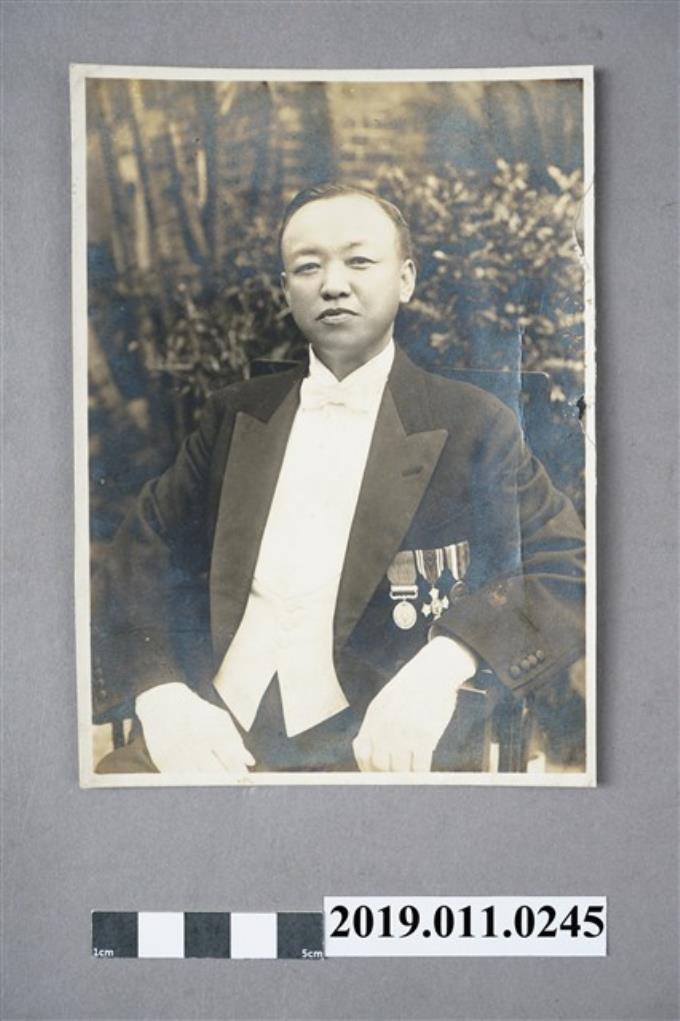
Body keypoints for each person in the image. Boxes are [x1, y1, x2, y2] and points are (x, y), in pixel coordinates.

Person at [95, 183, 585, 775]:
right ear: (287, 291)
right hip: (214, 732)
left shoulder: (473, 426)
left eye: (359, 261)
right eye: (308, 267)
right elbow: (139, 556)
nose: (332, 284)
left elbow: (566, 567)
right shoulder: (237, 416)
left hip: (377, 744)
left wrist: (445, 662)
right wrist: (162, 693)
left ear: (405, 279)